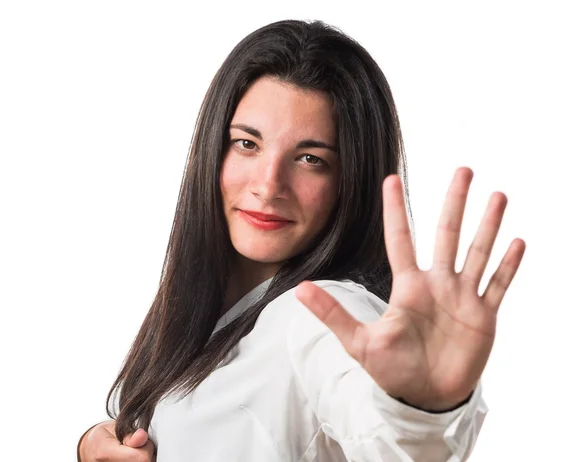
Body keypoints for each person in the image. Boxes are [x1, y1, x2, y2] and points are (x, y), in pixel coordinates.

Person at [77, 19, 526, 462]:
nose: (269, 185)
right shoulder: (205, 312)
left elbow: (389, 442)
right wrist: (97, 441)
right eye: (247, 144)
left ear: (352, 180)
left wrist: (421, 410)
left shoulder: (320, 313)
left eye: (311, 158)